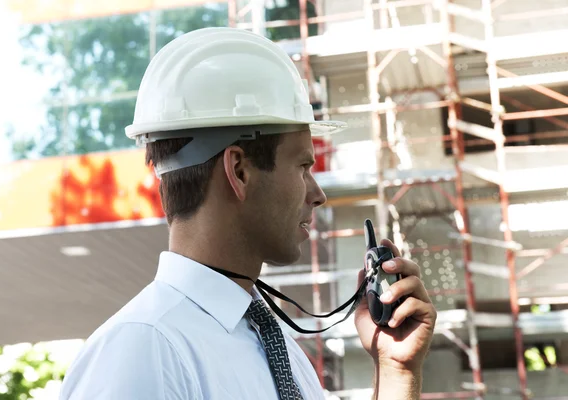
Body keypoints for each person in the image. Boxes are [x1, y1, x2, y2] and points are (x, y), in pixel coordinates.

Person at [59, 27, 437, 400]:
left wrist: (396, 374)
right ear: (239, 171)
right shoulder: (144, 349)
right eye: (303, 167)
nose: (317, 194)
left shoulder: (280, 351)